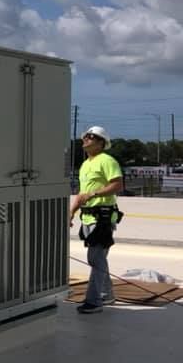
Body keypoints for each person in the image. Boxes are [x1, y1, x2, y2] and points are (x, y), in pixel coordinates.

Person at [69, 126, 123, 314]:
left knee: (95, 258)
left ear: (101, 142)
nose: (85, 139)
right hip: (89, 217)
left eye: (90, 137)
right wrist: (72, 212)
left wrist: (94, 193)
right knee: (98, 258)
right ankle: (107, 295)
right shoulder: (86, 164)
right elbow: (81, 194)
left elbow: (117, 185)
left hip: (103, 218)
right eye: (85, 136)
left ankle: (94, 301)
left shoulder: (106, 160)